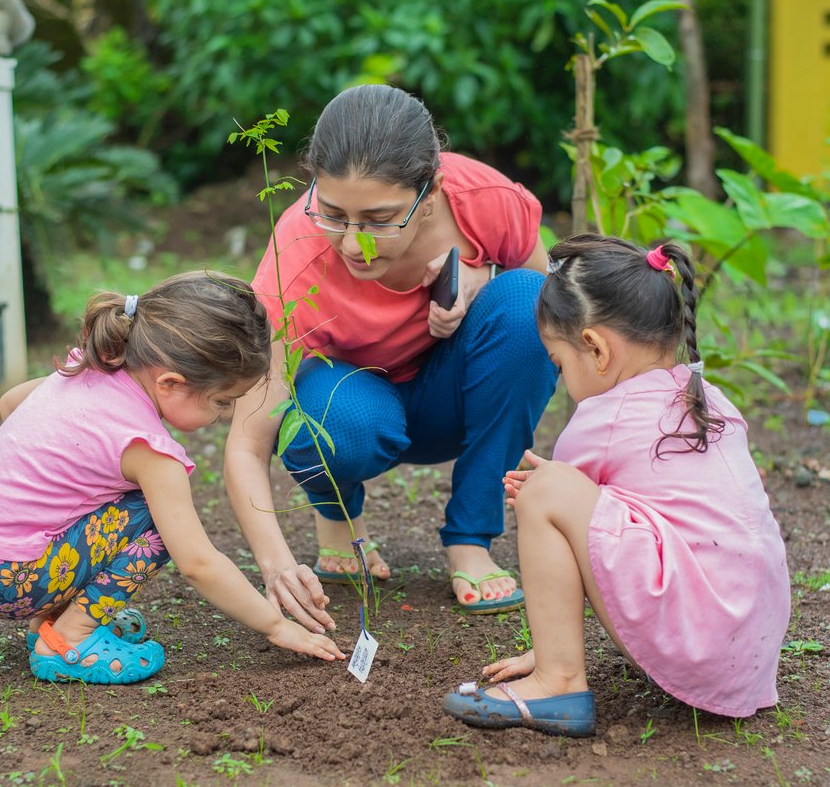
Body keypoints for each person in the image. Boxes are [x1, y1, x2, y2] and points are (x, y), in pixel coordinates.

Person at [226, 84, 558, 629]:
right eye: (333, 214)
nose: (355, 245)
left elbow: (556, 309)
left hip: (454, 399)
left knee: (528, 303)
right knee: (334, 413)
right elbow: (248, 440)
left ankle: (471, 539)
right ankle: (337, 518)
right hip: (356, 406)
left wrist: (485, 278)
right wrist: (277, 565)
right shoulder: (298, 254)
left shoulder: (483, 201)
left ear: (430, 196)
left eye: (381, 220)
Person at [441, 235, 791, 736]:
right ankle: (553, 657)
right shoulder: (708, 401)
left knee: (542, 492)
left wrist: (546, 490)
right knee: (554, 488)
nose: (562, 380)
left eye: (559, 365)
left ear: (596, 349)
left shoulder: (606, 418)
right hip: (748, 647)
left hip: (698, 643)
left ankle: (557, 679)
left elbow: (562, 512)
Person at [0, 273, 345, 685]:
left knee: (123, 502)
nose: (224, 416)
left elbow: (10, 402)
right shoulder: (150, 451)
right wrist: (275, 626)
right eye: (221, 401)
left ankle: (52, 616)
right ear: (170, 383)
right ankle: (69, 639)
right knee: (157, 519)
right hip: (13, 580)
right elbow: (198, 562)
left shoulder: (91, 365)